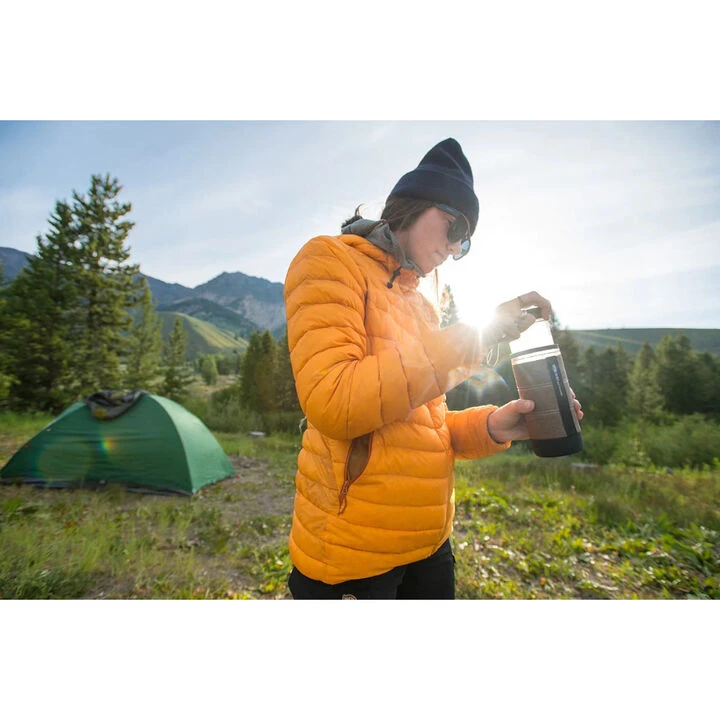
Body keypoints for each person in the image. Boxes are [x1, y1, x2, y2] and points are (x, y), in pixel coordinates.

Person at [283, 137, 583, 599]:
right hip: (355, 555)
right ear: (413, 205)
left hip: (429, 546)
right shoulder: (329, 260)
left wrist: (493, 426)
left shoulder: (422, 305)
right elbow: (336, 403)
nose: (455, 247)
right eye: (454, 227)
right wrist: (476, 336)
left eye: (466, 243)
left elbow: (422, 429)